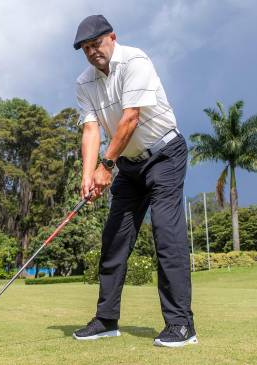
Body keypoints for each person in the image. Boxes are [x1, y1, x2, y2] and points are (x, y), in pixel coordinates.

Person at [71, 15, 197, 347]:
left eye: (96, 44)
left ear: (112, 37)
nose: (92, 52)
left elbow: (131, 117)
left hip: (164, 155)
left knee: (166, 235)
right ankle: (106, 319)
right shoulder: (84, 82)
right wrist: (88, 176)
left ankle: (181, 325)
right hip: (129, 165)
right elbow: (90, 129)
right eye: (85, 49)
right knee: (114, 238)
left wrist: (105, 166)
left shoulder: (135, 60)